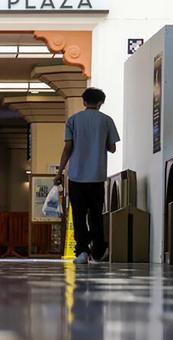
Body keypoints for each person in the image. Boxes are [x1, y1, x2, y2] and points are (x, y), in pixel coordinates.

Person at [56, 87, 120, 265]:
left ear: (84, 102)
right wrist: (99, 142)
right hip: (97, 177)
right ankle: (98, 252)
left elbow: (67, 148)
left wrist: (59, 172)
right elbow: (112, 148)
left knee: (78, 216)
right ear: (101, 103)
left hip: (76, 177)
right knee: (96, 215)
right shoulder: (107, 120)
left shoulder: (73, 120)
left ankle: (82, 252)